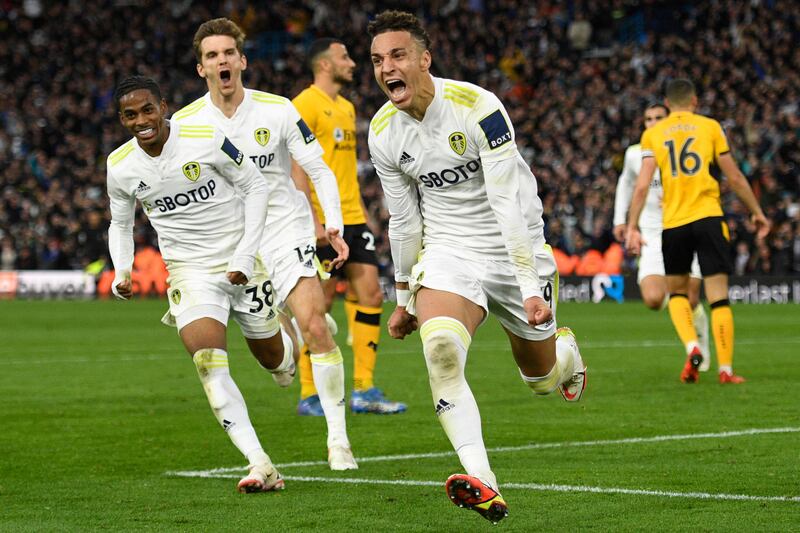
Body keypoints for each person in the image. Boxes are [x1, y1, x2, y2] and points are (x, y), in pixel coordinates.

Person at [366, 11, 587, 524]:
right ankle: (484, 482)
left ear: (425, 59)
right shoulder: (382, 131)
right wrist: (403, 298)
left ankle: (566, 353)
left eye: (397, 55)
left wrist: (531, 286)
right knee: (441, 350)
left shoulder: (479, 106)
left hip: (516, 247)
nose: (386, 68)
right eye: (378, 60)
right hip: (449, 250)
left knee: (540, 378)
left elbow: (507, 201)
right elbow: (403, 220)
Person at [173, 18, 358, 470]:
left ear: (242, 61)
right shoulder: (184, 123)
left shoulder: (276, 110)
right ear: (201, 69)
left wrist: (332, 225)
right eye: (212, 56)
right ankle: (287, 336)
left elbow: (317, 168)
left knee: (317, 326)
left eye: (228, 54)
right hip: (229, 242)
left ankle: (339, 441)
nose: (222, 62)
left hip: (283, 227)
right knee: (278, 366)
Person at [107, 76, 290, 493]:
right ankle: (260, 463)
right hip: (189, 271)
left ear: (163, 105)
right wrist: (122, 269)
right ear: (122, 119)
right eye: (130, 115)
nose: (142, 121)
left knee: (276, 362)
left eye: (147, 110)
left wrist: (246, 253)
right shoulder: (119, 166)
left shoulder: (206, 137)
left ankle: (288, 338)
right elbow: (120, 223)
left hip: (241, 261)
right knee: (208, 362)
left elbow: (255, 186)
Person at [625, 79, 770, 384]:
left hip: (674, 223)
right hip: (708, 218)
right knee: (718, 298)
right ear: (694, 101)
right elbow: (735, 177)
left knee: (677, 292)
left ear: (667, 103)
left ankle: (692, 346)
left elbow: (641, 186)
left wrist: (631, 226)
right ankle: (726, 370)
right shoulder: (710, 127)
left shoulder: (653, 134)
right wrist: (756, 212)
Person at [292, 38, 407, 416]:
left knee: (371, 295)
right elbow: (295, 166)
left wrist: (361, 211)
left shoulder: (346, 107)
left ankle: (363, 388)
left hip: (353, 219)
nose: (353, 64)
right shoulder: (304, 104)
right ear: (324, 65)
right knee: (318, 305)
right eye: (345, 57)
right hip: (320, 221)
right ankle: (310, 393)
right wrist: (312, 220)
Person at [613, 103, 711, 370]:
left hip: (684, 229)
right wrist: (622, 222)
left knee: (689, 298)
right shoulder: (635, 154)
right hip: (653, 236)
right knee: (654, 299)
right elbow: (627, 186)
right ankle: (695, 320)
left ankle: (697, 337)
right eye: (648, 119)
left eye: (659, 118)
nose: (653, 122)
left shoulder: (684, 149)